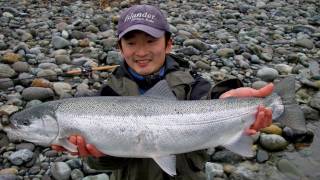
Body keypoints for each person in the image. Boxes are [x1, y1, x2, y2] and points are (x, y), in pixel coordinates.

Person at [52, 4, 273, 180]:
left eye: (151, 41)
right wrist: (98, 156)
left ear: (168, 44)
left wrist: (227, 98)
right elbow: (103, 163)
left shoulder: (193, 85)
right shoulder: (109, 93)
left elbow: (210, 100)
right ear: (120, 48)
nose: (141, 52)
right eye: (131, 43)